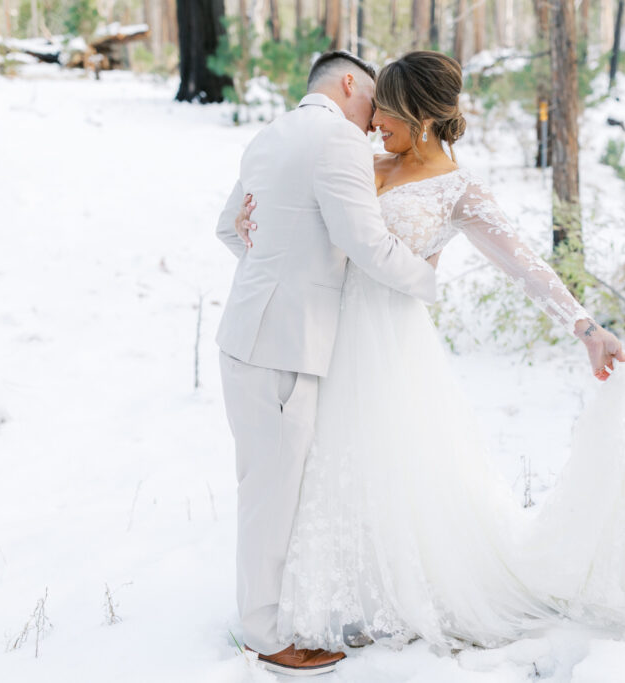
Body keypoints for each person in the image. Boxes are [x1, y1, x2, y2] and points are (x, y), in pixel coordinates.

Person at [233, 51, 625, 655]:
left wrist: (586, 326)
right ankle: (330, 589)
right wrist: (252, 226)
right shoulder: (359, 160)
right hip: (324, 336)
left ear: (421, 115)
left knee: (389, 462)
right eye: (374, 104)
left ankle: (398, 587)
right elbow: (307, 220)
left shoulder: (457, 189)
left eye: (386, 109)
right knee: (322, 467)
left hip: (391, 343)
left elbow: (523, 263)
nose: (374, 118)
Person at [213, 51, 442, 676]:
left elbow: (230, 230)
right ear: (349, 84)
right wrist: (431, 282)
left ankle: (271, 613)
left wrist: (278, 265)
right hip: (283, 345)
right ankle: (266, 635)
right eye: (374, 99)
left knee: (264, 484)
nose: (377, 119)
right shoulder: (338, 138)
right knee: (271, 492)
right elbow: (364, 242)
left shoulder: (272, 133)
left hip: (247, 336)